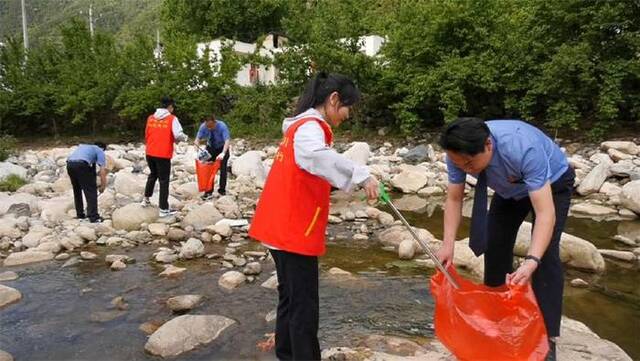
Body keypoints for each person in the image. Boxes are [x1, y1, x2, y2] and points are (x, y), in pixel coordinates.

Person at [249, 72, 380, 361]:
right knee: (304, 309)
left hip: (278, 228)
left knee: (290, 299)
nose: (347, 115)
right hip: (292, 232)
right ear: (334, 100)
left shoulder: (300, 126)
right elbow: (317, 157)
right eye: (348, 107)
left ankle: (286, 355)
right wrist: (361, 175)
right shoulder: (310, 128)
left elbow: (312, 169)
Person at [435, 117, 574, 361]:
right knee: (495, 244)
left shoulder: (523, 148)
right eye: (460, 164)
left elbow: (544, 212)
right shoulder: (457, 154)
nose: (465, 169)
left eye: (469, 163)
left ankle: (546, 338)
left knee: (546, 254)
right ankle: (496, 319)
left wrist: (531, 260)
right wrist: (447, 245)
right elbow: (455, 199)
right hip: (509, 189)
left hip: (553, 184)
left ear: (488, 144)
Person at [141, 96, 188, 217]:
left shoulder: (151, 118)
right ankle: (163, 209)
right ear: (170, 107)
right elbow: (178, 135)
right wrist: (185, 137)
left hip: (150, 152)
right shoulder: (172, 119)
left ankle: (146, 199)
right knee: (164, 180)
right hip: (163, 153)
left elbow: (146, 134)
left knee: (153, 175)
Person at [66, 142, 109, 223]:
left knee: (77, 190)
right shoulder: (99, 150)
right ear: (103, 148)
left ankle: (80, 214)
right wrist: (103, 186)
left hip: (70, 164)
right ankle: (94, 217)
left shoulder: (84, 147)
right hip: (82, 165)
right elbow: (102, 171)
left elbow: (91, 170)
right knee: (91, 191)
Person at [194, 114, 231, 199]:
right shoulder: (203, 126)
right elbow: (197, 139)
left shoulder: (222, 126)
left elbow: (227, 140)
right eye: (207, 126)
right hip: (211, 148)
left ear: (214, 122)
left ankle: (222, 190)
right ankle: (208, 192)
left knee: (223, 169)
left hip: (222, 147)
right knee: (208, 169)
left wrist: (223, 153)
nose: (209, 128)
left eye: (211, 126)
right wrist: (195, 152)